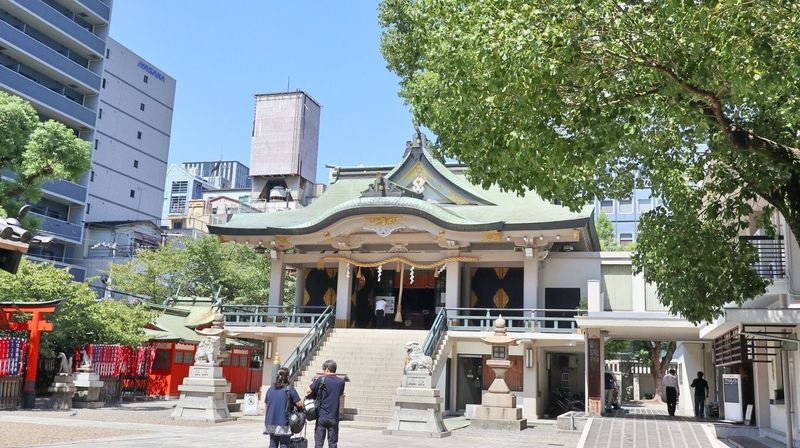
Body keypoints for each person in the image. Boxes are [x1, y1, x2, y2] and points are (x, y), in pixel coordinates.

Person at [307, 359, 346, 448]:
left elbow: (308, 390)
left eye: (324, 370)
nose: (323, 372)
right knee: (333, 443)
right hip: (334, 417)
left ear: (327, 369)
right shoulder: (341, 382)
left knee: (319, 443)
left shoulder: (321, 379)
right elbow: (340, 393)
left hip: (322, 416)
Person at [264, 367, 303, 448]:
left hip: (271, 421)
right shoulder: (289, 389)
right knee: (284, 445)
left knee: (272, 444)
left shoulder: (270, 389)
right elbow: (299, 404)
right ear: (287, 377)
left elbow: (266, 404)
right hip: (284, 422)